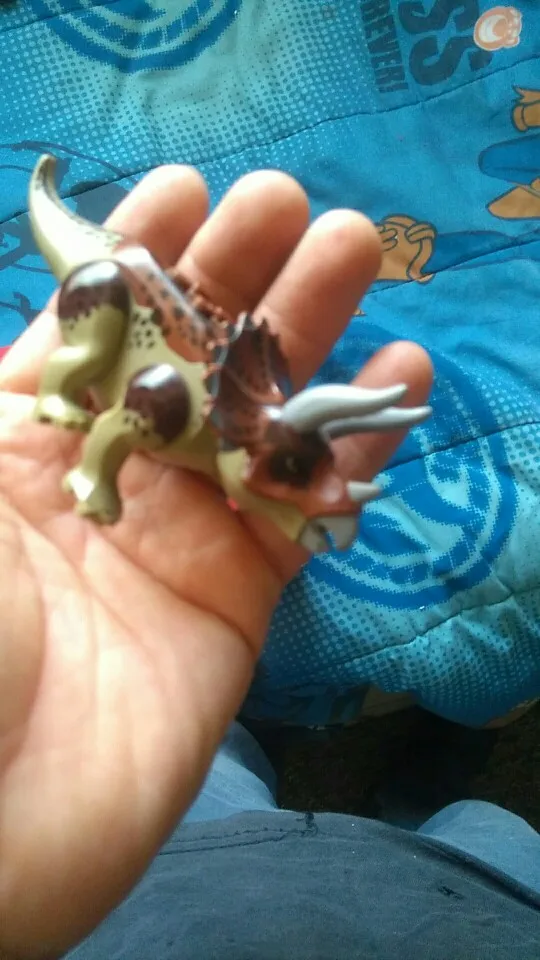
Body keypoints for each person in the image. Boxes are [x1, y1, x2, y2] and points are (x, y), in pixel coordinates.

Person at [0, 165, 538, 960]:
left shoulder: (243, 433)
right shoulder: (171, 414)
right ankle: (410, 796)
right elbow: (116, 427)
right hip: (112, 301)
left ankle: (266, 759)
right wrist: (91, 470)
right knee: (489, 841)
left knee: (215, 774)